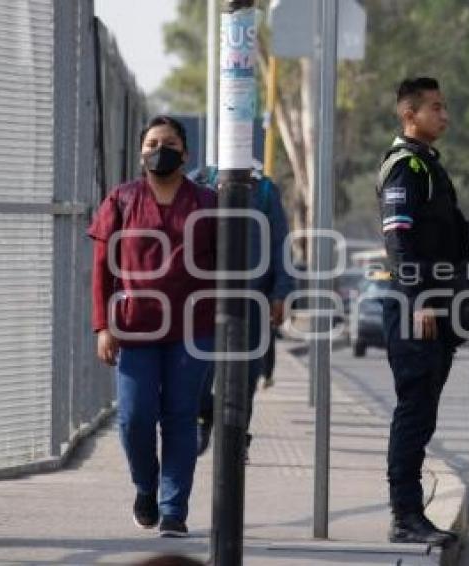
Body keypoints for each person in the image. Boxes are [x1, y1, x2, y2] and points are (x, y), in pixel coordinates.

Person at [88, 115, 217, 538]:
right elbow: (101, 271)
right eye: (153, 142)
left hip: (192, 329)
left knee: (180, 417)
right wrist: (102, 327)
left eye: (170, 142)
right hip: (135, 328)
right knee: (135, 417)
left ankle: (174, 508)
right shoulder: (122, 200)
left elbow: (224, 265)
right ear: (142, 151)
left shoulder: (207, 203)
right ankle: (145, 485)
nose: (160, 148)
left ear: (186, 152)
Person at [377, 77, 469, 545]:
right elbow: (399, 239)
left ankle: (411, 513)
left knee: (423, 413)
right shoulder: (406, 168)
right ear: (409, 115)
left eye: (444, 106)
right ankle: (405, 516)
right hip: (415, 306)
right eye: (435, 107)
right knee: (414, 411)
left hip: (435, 307)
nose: (445, 115)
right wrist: (420, 299)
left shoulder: (429, 166)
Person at [191, 165, 293, 458]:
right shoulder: (200, 181)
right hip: (205, 296)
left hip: (253, 299)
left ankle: (236, 439)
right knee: (198, 368)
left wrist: (281, 293)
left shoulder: (263, 190)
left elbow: (279, 243)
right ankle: (205, 415)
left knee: (246, 375)